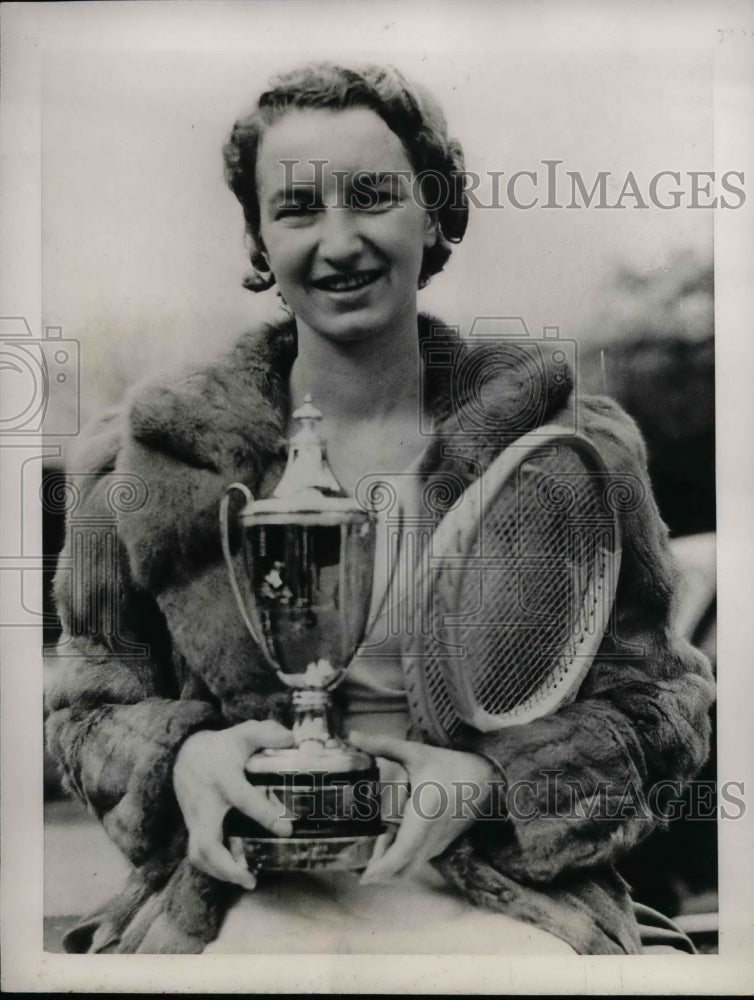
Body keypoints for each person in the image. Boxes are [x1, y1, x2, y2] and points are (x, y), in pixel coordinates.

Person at [45, 62, 715, 955]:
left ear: (434, 211)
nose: (339, 241)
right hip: (236, 896)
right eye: (296, 208)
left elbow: (661, 705)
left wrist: (487, 782)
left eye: (372, 195)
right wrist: (183, 765)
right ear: (258, 239)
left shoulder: (570, 450)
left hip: (502, 896)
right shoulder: (149, 457)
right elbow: (86, 708)